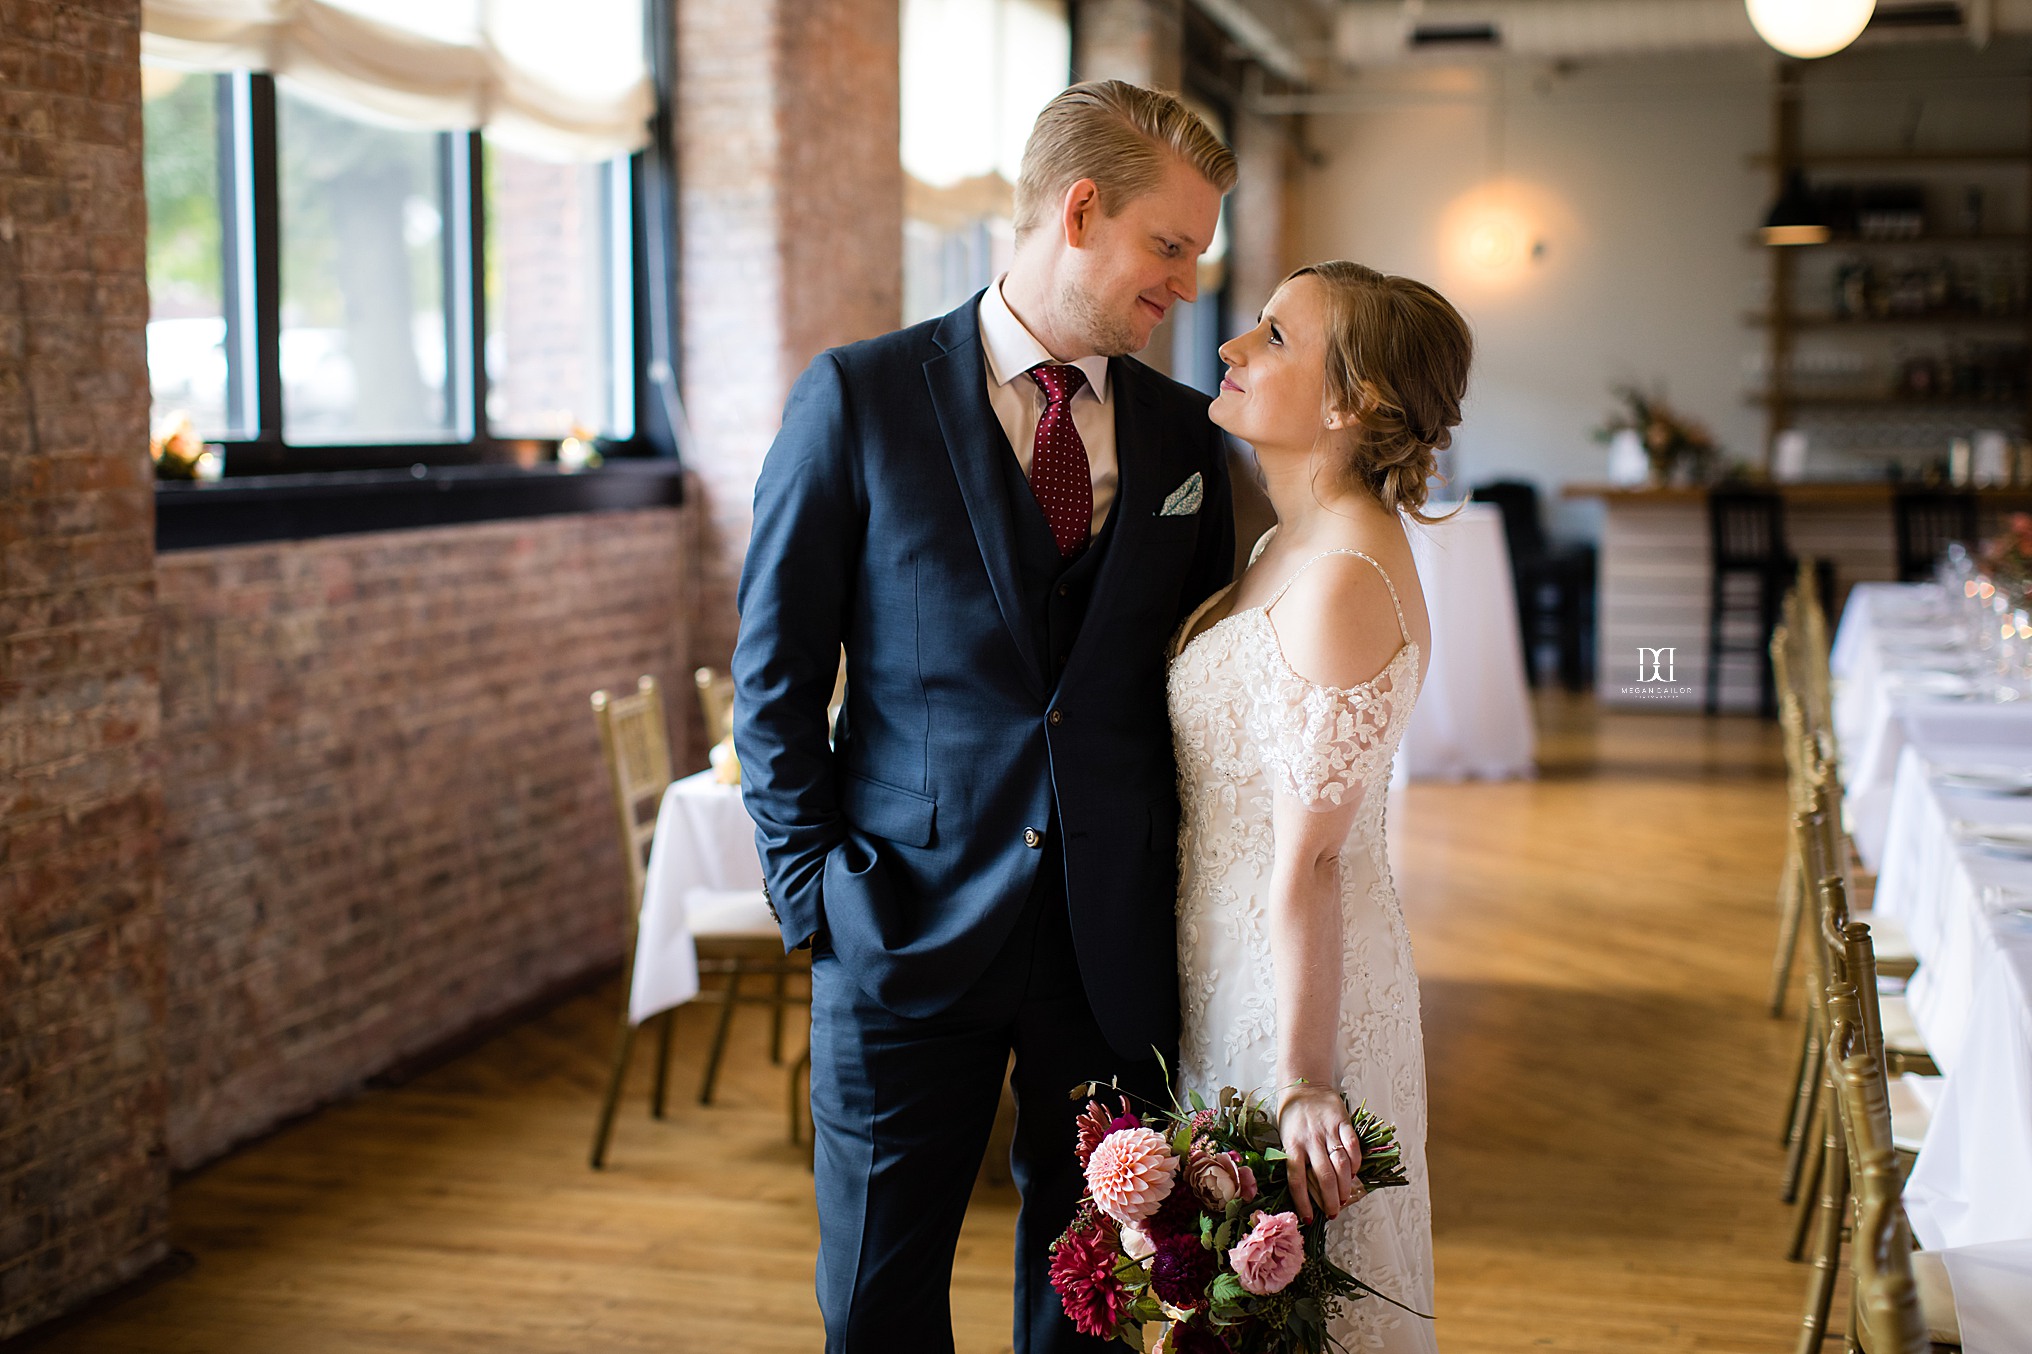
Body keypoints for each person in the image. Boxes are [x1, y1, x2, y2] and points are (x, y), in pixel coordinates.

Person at [732, 81, 1237, 1353]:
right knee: (875, 1297)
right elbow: (774, 680)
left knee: (1091, 1299)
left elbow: (1204, 681)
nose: (1184, 287)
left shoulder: (1184, 439)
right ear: (1080, 211)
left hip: (1107, 941)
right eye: (1168, 248)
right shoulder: (857, 398)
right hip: (898, 922)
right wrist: (818, 897)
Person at [1169, 261, 1472, 1353]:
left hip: (1296, 992)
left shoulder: (1344, 571)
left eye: (1274, 338)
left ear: (1357, 403)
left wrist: (1302, 1076)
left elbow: (1310, 859)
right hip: (1224, 956)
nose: (1230, 348)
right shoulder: (1278, 544)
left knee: (1299, 1310)